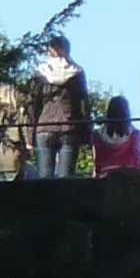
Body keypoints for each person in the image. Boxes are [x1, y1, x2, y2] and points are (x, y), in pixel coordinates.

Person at [27, 35, 89, 179]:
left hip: (44, 126)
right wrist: (86, 136)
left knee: (44, 178)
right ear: (68, 51)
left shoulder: (40, 73)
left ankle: (46, 202)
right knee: (66, 180)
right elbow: (83, 105)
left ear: (50, 51)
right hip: (69, 127)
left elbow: (33, 104)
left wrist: (30, 135)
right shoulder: (77, 72)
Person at [91, 94, 140, 174]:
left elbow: (97, 162)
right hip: (128, 177)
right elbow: (137, 161)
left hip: (106, 177)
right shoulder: (135, 134)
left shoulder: (97, 135)